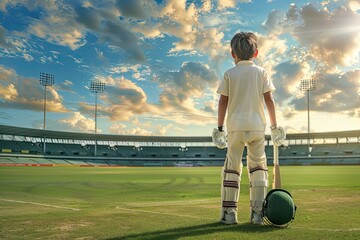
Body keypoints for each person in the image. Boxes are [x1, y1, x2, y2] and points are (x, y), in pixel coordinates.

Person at [212, 32, 285, 225]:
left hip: (235, 127)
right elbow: (269, 100)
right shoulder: (261, 72)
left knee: (232, 168)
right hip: (257, 127)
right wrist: (275, 126)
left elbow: (223, 102)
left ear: (232, 54)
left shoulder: (229, 73)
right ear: (256, 53)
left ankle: (229, 215)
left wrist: (220, 128)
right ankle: (258, 215)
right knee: (259, 167)